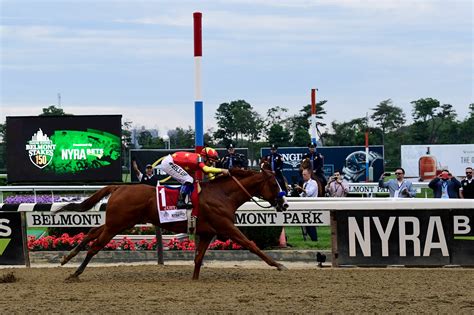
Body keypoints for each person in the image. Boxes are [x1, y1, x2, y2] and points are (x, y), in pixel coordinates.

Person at [159, 147, 230, 208]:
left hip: (171, 161)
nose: (212, 164)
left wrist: (221, 176)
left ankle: (185, 200)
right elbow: (207, 169)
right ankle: (180, 201)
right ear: (205, 158)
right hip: (169, 162)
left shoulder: (202, 159)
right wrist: (222, 170)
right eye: (211, 161)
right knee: (189, 180)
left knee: (191, 181)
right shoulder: (199, 159)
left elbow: (211, 178)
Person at [293, 168, 318, 241]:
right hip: (305, 206)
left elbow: (309, 193)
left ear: (309, 174)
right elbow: (302, 195)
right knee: (306, 224)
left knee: (311, 224)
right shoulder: (305, 184)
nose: (303, 176)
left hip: (312, 206)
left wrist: (301, 188)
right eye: (302, 174)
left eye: (304, 174)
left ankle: (314, 239)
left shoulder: (314, 183)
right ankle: (308, 238)